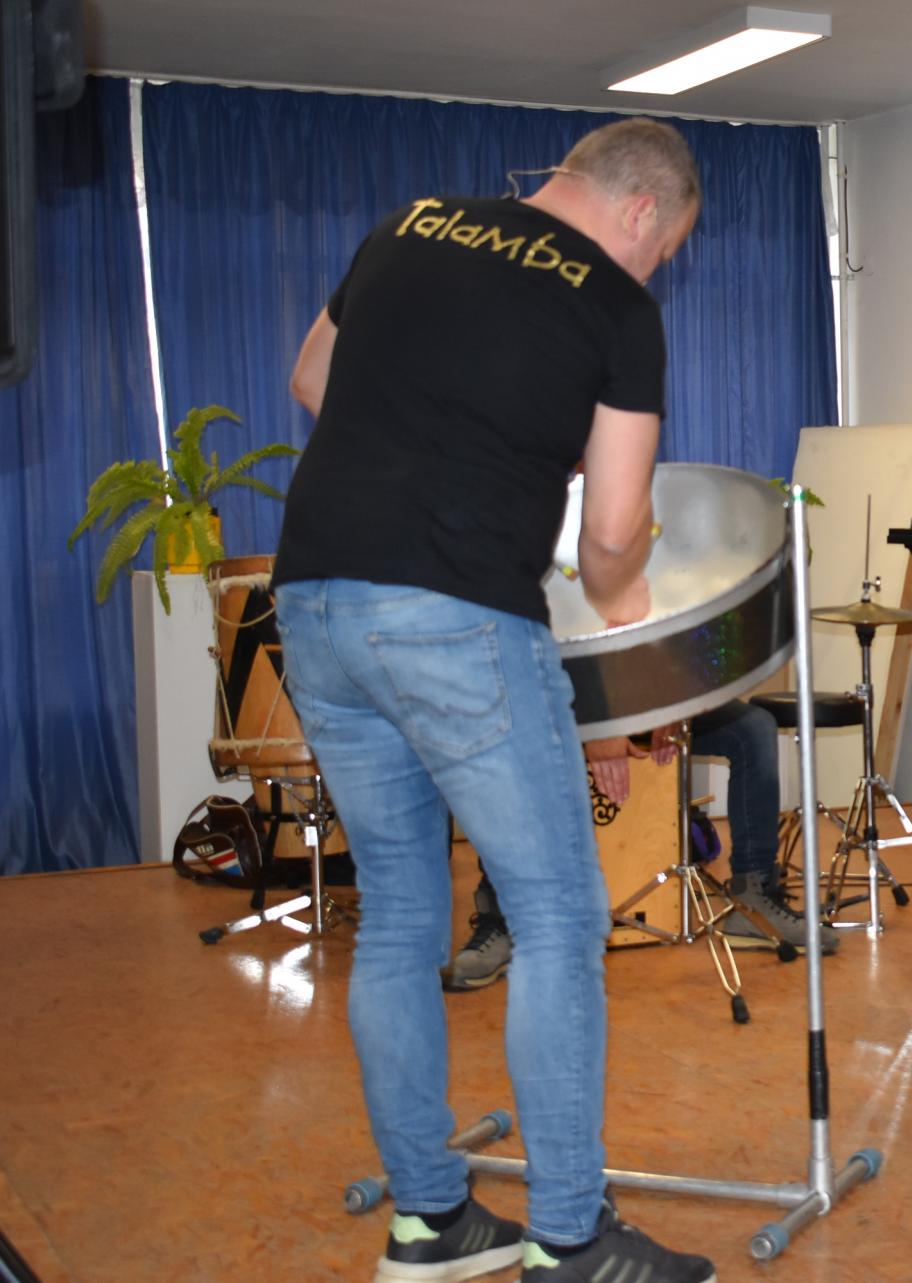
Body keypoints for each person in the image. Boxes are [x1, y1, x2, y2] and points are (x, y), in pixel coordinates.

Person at [271, 119, 718, 1283]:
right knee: (558, 914)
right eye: (665, 249)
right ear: (642, 210)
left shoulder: (408, 224)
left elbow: (312, 378)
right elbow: (610, 535)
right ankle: (568, 1236)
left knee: (400, 914)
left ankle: (430, 1221)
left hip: (315, 598)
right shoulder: (616, 307)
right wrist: (624, 595)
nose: (655, 268)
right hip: (456, 611)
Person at [444, 698, 837, 991]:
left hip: (649, 690)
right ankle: (503, 916)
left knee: (753, 728)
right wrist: (596, 722)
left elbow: (693, 647)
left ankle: (752, 896)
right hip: (562, 693)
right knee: (506, 733)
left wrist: (673, 703)